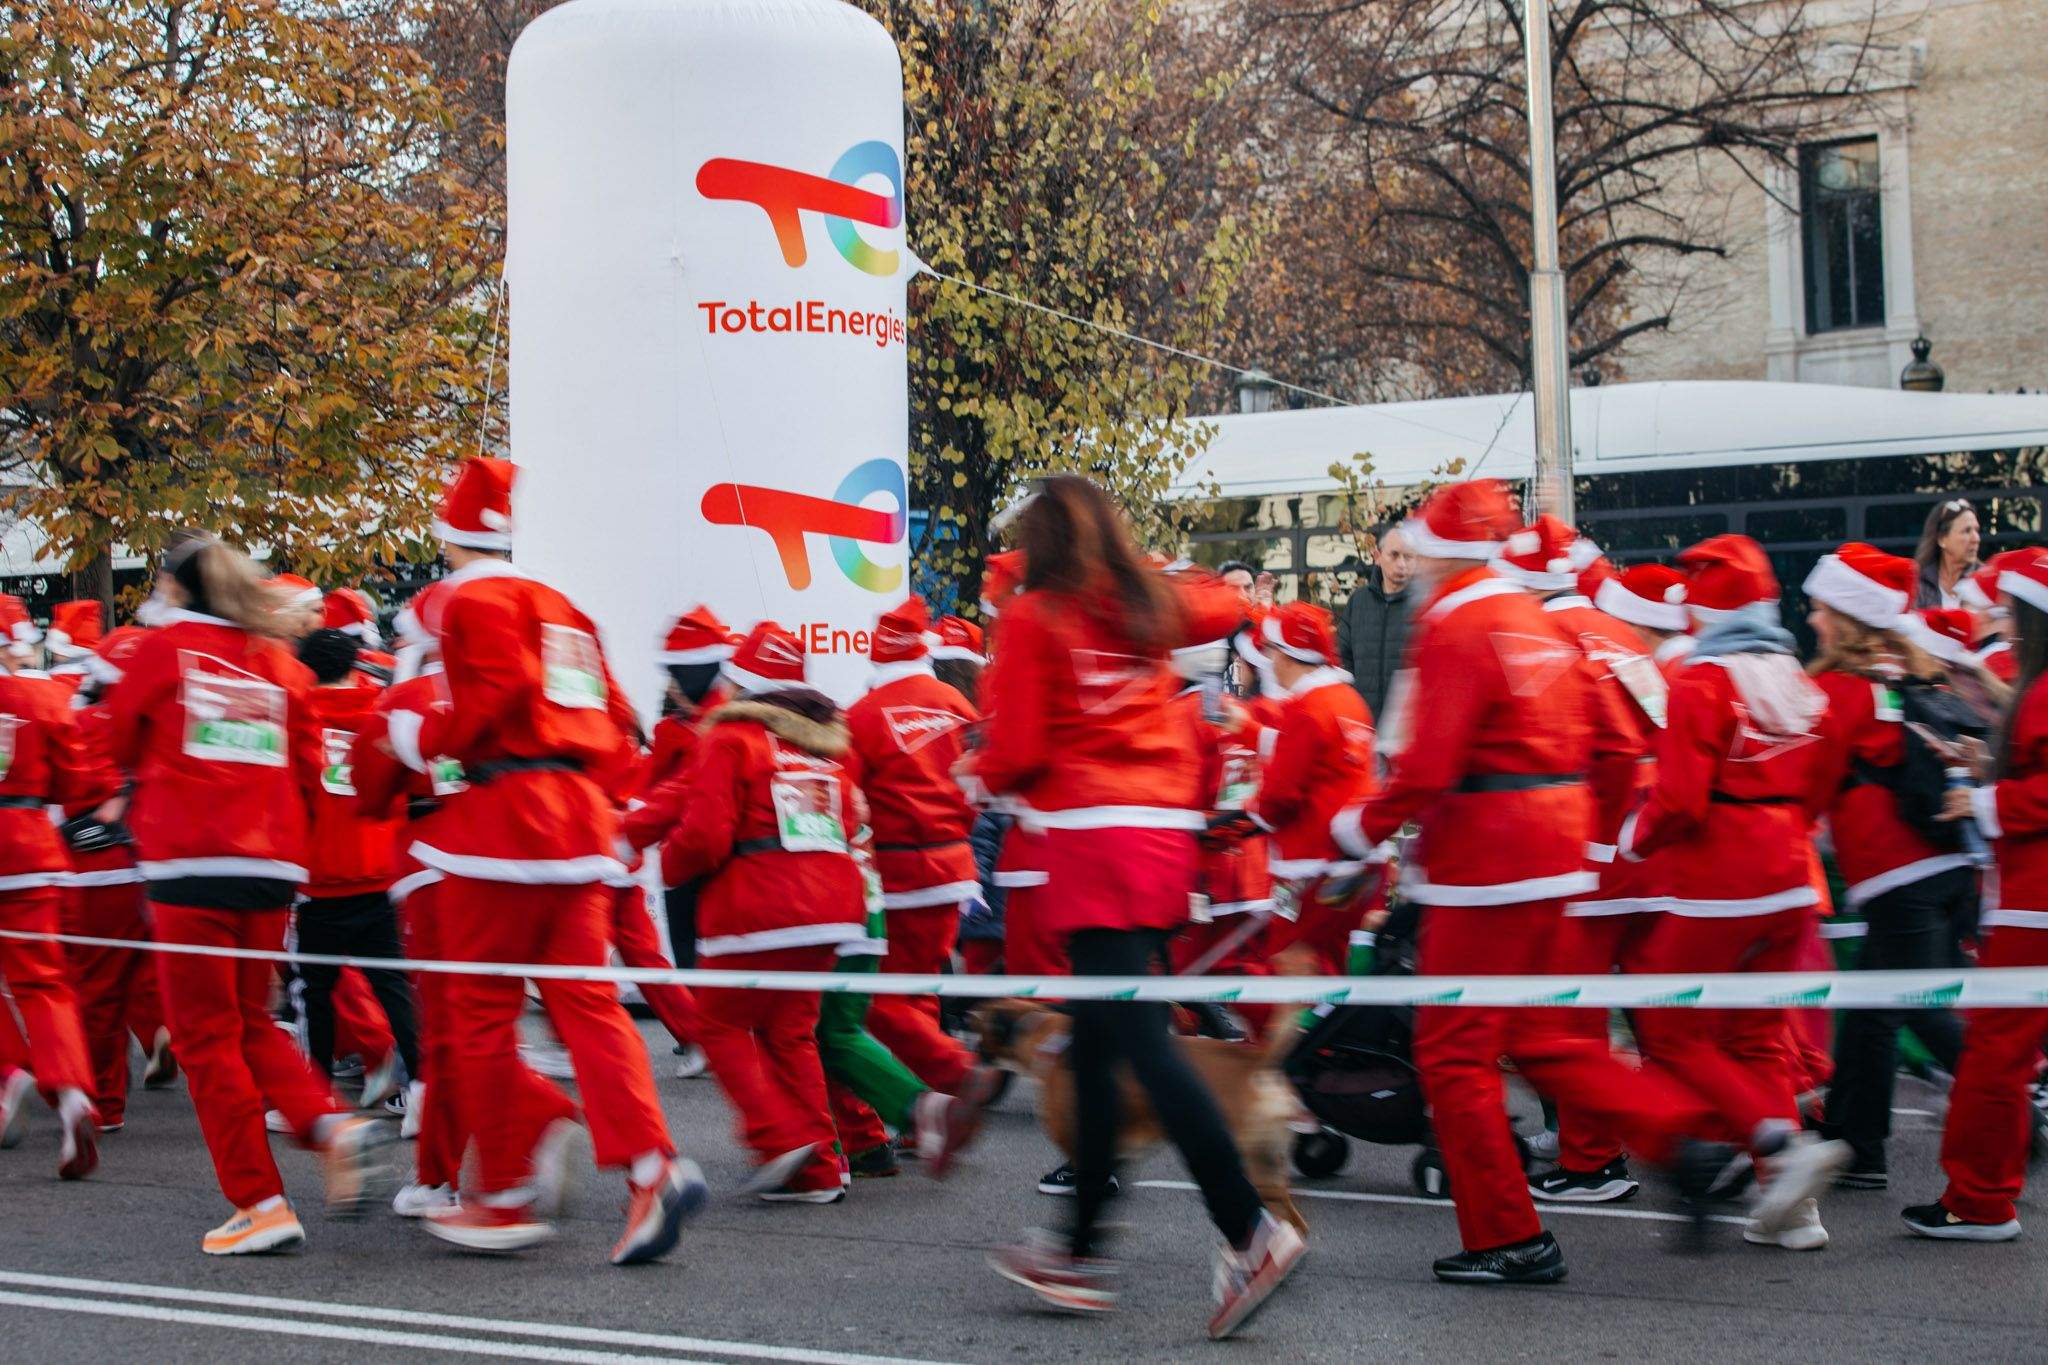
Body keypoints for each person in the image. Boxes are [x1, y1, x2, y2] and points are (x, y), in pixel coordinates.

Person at [1330, 485, 1813, 1284]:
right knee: (1540, 1034)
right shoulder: (1539, 622)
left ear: (1447, 549)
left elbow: (1427, 764)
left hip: (1482, 866)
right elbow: (1620, 741)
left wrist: (1356, 834)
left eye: (1420, 545)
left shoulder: (1459, 621)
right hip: (1559, 854)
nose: (1412, 561)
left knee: (1453, 1050)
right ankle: (1680, 1134)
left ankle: (1509, 1233)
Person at [970, 476, 1302, 1341]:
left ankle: (1247, 1228)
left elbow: (1017, 748)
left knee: (1143, 1045)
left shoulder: (1036, 618)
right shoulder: (1149, 603)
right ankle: (1077, 1250)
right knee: (1102, 1042)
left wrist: (975, 774)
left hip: (1093, 842)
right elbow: (1229, 602)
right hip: (1163, 838)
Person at [393, 457, 701, 1263]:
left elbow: (484, 707)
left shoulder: (473, 601)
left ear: (446, 536)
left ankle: (503, 1192)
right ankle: (650, 1165)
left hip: (501, 826)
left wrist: (418, 735)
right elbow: (616, 713)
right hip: (578, 828)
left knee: (481, 1018)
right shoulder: (563, 607)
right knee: (591, 1009)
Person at [105, 535, 387, 1255]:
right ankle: (327, 1120)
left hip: (190, 861)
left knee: (205, 1035)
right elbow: (305, 764)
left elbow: (116, 737)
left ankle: (259, 1199)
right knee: (251, 1021)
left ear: (175, 586)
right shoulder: (279, 662)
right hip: (272, 864)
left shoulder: (164, 652)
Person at [1620, 533, 1854, 1251]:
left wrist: (1634, 836)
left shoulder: (1702, 679)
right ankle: (1793, 1211)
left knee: (1669, 1022)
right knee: (1758, 1035)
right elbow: (1822, 781)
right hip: (1788, 877)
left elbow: (1682, 799)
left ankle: (1781, 1149)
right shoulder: (1795, 676)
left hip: (1720, 877)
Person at [659, 621, 867, 1204]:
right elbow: (847, 825)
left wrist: (668, 869)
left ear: (742, 683)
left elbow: (702, 835)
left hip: (757, 905)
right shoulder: (827, 748)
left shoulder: (730, 738)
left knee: (718, 1024)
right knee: (791, 1031)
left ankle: (779, 1139)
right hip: (831, 905)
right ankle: (820, 1168)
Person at [1495, 523, 1664, 1206]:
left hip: (1591, 850)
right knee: (1657, 1008)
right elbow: (1663, 725)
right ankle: (1709, 1135)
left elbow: (1602, 751)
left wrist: (1594, 843)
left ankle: (1595, 1159)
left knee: (1569, 1012)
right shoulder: (1617, 630)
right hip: (1646, 844)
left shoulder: (1544, 638)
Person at [1802, 545, 1977, 1190]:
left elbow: (1810, 790)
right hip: (1947, 862)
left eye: (1820, 609)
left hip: (1898, 877)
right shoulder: (1908, 672)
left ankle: (2018, 1106)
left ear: (1846, 616)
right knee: (1873, 1008)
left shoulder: (1836, 690)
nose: (1812, 620)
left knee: (1920, 1009)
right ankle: (1856, 1142)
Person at [1906, 552, 2048, 1238]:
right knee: (2002, 1048)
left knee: (1995, 1048)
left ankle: (1981, 1197)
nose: (2000, 623)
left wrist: (1981, 797)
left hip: (2034, 895)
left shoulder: (2044, 687)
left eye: (2008, 612)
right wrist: (1985, 765)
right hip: (2024, 889)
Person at [0, 592, 112, 1178]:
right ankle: (70, 1093)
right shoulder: (47, 695)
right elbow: (76, 785)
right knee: (45, 981)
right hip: (32, 845)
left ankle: (9, 1071)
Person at [291, 628, 421, 1101]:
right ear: (353, 664)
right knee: (393, 988)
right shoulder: (386, 713)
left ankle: (316, 1095)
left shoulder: (295, 717)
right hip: (382, 869)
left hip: (319, 875)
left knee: (314, 994)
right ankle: (419, 1090)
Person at [1245, 600, 1378, 976]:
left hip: (1310, 863)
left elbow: (1280, 796)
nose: (1268, 662)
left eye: (1270, 651)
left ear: (1287, 655)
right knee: (1332, 966)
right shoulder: (1347, 700)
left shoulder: (1306, 708)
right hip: (1352, 861)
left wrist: (1249, 812)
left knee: (1291, 962)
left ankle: (1308, 1037)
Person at [1335, 521, 1414, 718]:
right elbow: (1342, 657)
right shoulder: (1359, 601)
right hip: (1364, 721)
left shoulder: (1424, 604)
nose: (1401, 564)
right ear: (1377, 556)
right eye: (1394, 555)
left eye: (1408, 557)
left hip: (1408, 727)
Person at [1914, 497, 1981, 608]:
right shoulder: (1919, 582)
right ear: (1942, 539)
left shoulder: (1985, 580)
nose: (1976, 539)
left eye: (1977, 530)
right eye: (1967, 531)